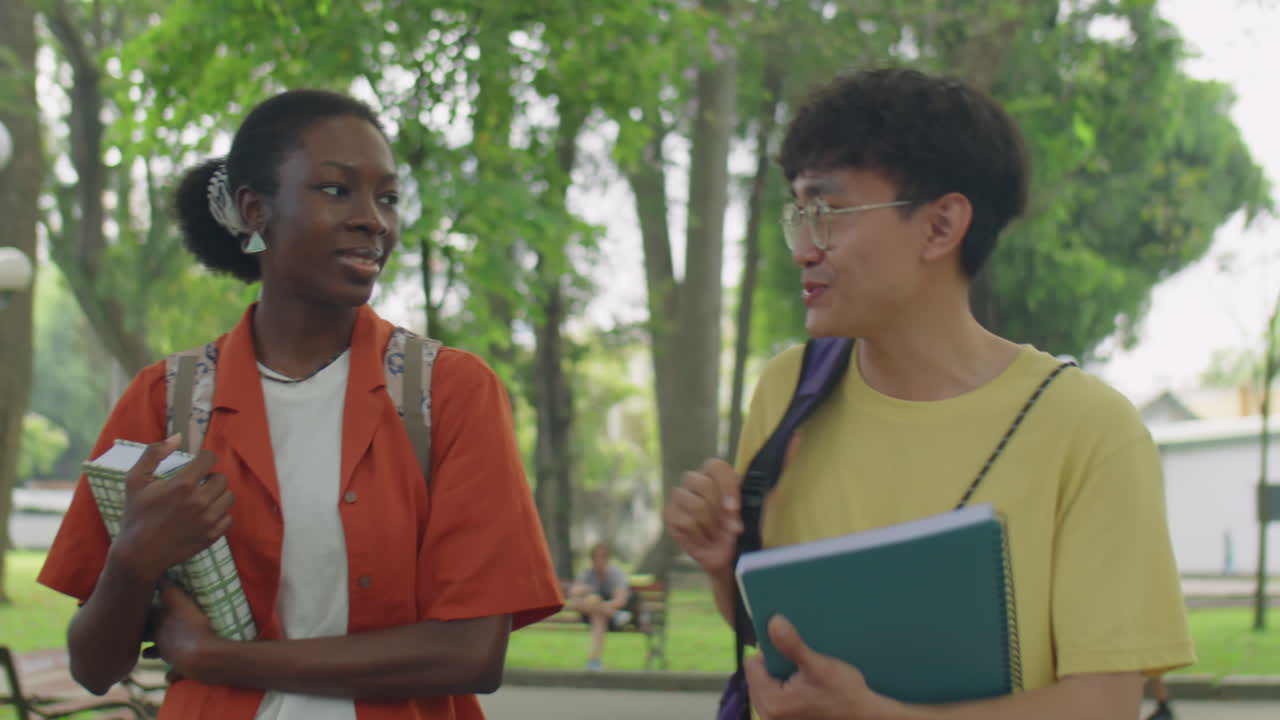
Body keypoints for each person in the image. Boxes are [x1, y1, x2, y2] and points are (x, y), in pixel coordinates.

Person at [666, 68, 1194, 720]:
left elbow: (1103, 704)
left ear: (941, 226)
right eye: (797, 214)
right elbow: (778, 642)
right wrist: (725, 565)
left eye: (828, 213)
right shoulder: (791, 391)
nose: (803, 248)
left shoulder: (1089, 430)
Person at [38, 89, 563, 720]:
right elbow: (93, 669)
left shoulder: (449, 393)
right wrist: (131, 560)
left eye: (388, 198)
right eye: (336, 190)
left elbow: (471, 654)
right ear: (255, 210)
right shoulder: (165, 401)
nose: (373, 219)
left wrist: (218, 659)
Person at [567, 542, 632, 670]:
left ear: (608, 559)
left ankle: (594, 660)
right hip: (595, 613)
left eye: (603, 557)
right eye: (596, 557)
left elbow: (620, 600)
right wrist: (583, 590)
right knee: (585, 604)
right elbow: (573, 596)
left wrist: (601, 604)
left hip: (610, 618)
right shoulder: (587, 574)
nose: (599, 561)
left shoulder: (616, 574)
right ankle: (615, 615)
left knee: (598, 614)